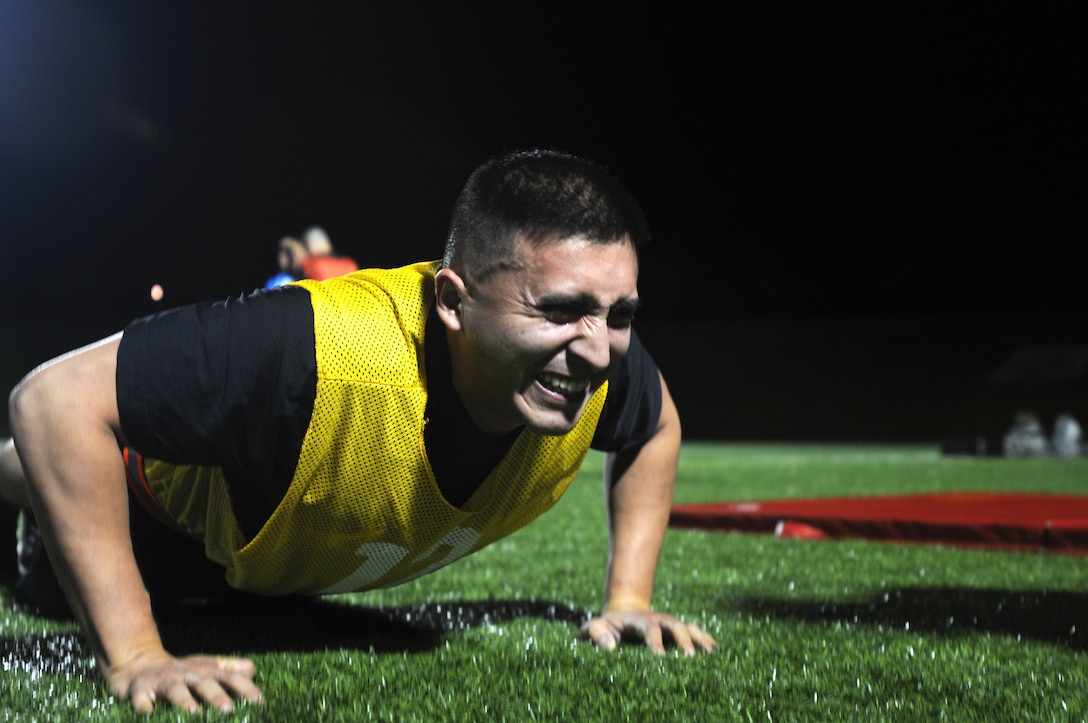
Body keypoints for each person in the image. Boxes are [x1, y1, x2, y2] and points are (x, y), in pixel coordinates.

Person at [0, 149, 716, 714]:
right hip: (160, 522)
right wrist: (133, 654)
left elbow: (655, 426)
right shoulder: (307, 349)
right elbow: (53, 401)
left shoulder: (591, 361)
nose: (598, 347)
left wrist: (629, 599)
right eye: (559, 309)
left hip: (280, 565)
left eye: (620, 313)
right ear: (453, 303)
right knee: (53, 480)